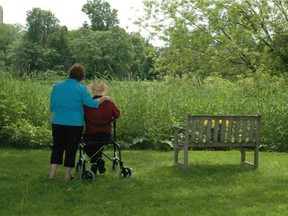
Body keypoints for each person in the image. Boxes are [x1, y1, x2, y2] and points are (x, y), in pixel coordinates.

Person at [48, 64, 112, 181]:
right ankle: (67, 176)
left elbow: (52, 107)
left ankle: (51, 175)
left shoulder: (56, 87)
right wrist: (105, 98)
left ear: (69, 73)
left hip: (58, 122)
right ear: (81, 77)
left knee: (57, 147)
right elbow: (92, 103)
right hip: (75, 124)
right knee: (71, 148)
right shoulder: (81, 89)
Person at [83, 79, 120, 174]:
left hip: (90, 134)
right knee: (100, 143)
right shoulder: (109, 102)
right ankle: (98, 160)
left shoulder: (87, 103)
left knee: (86, 144)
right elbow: (117, 115)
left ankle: (96, 161)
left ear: (93, 91)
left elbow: (82, 116)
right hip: (105, 135)